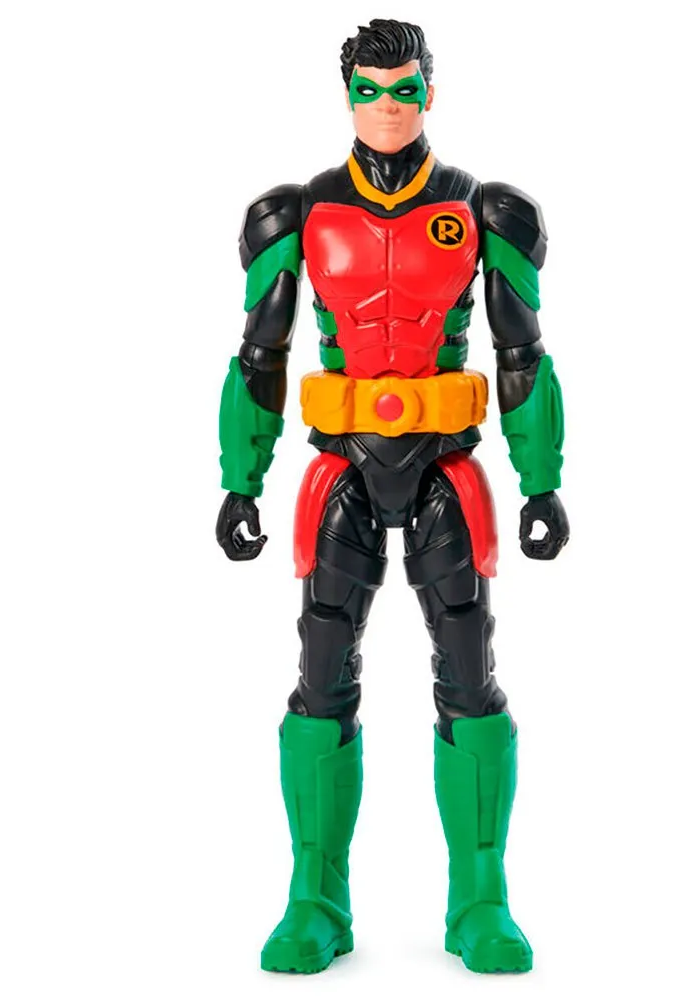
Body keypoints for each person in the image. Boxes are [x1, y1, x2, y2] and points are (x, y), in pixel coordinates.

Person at [216, 18, 568, 974]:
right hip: (341, 469)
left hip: (447, 464)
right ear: (346, 96)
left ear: (429, 94)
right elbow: (259, 354)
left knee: (469, 670)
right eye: (369, 90)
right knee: (321, 669)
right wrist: (240, 479)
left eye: (404, 89)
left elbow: (523, 352)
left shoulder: (482, 210)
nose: (386, 106)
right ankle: (315, 897)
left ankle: (480, 899)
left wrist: (541, 481)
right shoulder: (298, 213)